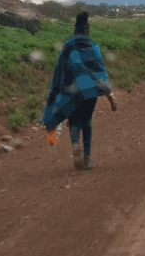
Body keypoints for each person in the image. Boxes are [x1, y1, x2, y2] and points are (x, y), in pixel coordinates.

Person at [43, 12, 118, 171]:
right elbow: (100, 72)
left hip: (72, 89)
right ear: (87, 31)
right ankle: (87, 158)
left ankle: (75, 143)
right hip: (90, 89)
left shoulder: (67, 47)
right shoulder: (93, 47)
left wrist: (56, 93)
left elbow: (59, 71)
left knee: (74, 120)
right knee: (87, 121)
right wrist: (110, 97)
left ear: (75, 31)